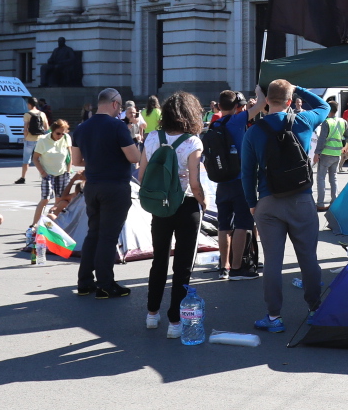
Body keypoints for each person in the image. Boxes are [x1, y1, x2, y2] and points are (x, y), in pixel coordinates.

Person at [241, 79, 331, 333]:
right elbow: (324, 106)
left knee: (273, 261)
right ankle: (314, 309)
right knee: (308, 258)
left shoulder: (253, 131)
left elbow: (247, 172)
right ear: (290, 102)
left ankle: (273, 317)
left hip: (268, 203)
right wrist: (298, 87)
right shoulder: (303, 121)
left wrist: (251, 203)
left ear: (266, 100)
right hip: (301, 199)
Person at [145, 91, 208, 334]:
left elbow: (142, 176)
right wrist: (203, 202)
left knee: (159, 258)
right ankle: (175, 321)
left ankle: (152, 313)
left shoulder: (151, 138)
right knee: (183, 265)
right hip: (186, 205)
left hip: (159, 205)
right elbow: (195, 183)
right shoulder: (193, 142)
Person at [71, 88, 143, 299]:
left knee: (93, 233)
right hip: (115, 186)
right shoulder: (117, 127)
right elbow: (133, 157)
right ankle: (105, 283)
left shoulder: (81, 128)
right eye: (120, 106)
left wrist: (96, 162)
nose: (120, 110)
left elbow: (76, 162)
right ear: (114, 104)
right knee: (108, 236)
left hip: (92, 186)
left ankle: (84, 282)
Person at [207, 90, 260, 280]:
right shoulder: (238, 121)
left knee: (223, 226)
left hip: (222, 182)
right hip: (240, 181)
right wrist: (259, 93)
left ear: (219, 106)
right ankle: (238, 267)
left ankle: (225, 266)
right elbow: (262, 104)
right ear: (238, 106)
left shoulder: (215, 124)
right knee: (242, 224)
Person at [31, 117, 73, 226]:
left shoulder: (66, 138)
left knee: (59, 201)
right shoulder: (43, 140)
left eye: (63, 134)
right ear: (52, 131)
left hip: (62, 173)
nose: (60, 136)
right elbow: (35, 158)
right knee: (45, 199)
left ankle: (55, 225)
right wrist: (43, 173)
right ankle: (35, 225)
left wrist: (68, 171)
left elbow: (70, 155)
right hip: (47, 173)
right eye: (58, 133)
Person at [313, 98, 348, 208]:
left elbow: (322, 139)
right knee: (334, 178)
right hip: (337, 154)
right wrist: (345, 148)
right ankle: (335, 202)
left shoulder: (326, 122)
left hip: (326, 154)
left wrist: (317, 153)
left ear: (328, 110)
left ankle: (320, 203)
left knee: (321, 178)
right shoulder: (343, 122)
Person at [18, 98, 49, 184]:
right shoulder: (42, 114)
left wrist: (25, 137)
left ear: (30, 104)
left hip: (30, 139)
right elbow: (46, 127)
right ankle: (45, 175)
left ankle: (23, 177)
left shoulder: (27, 114)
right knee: (41, 159)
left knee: (26, 160)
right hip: (41, 140)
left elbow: (25, 128)